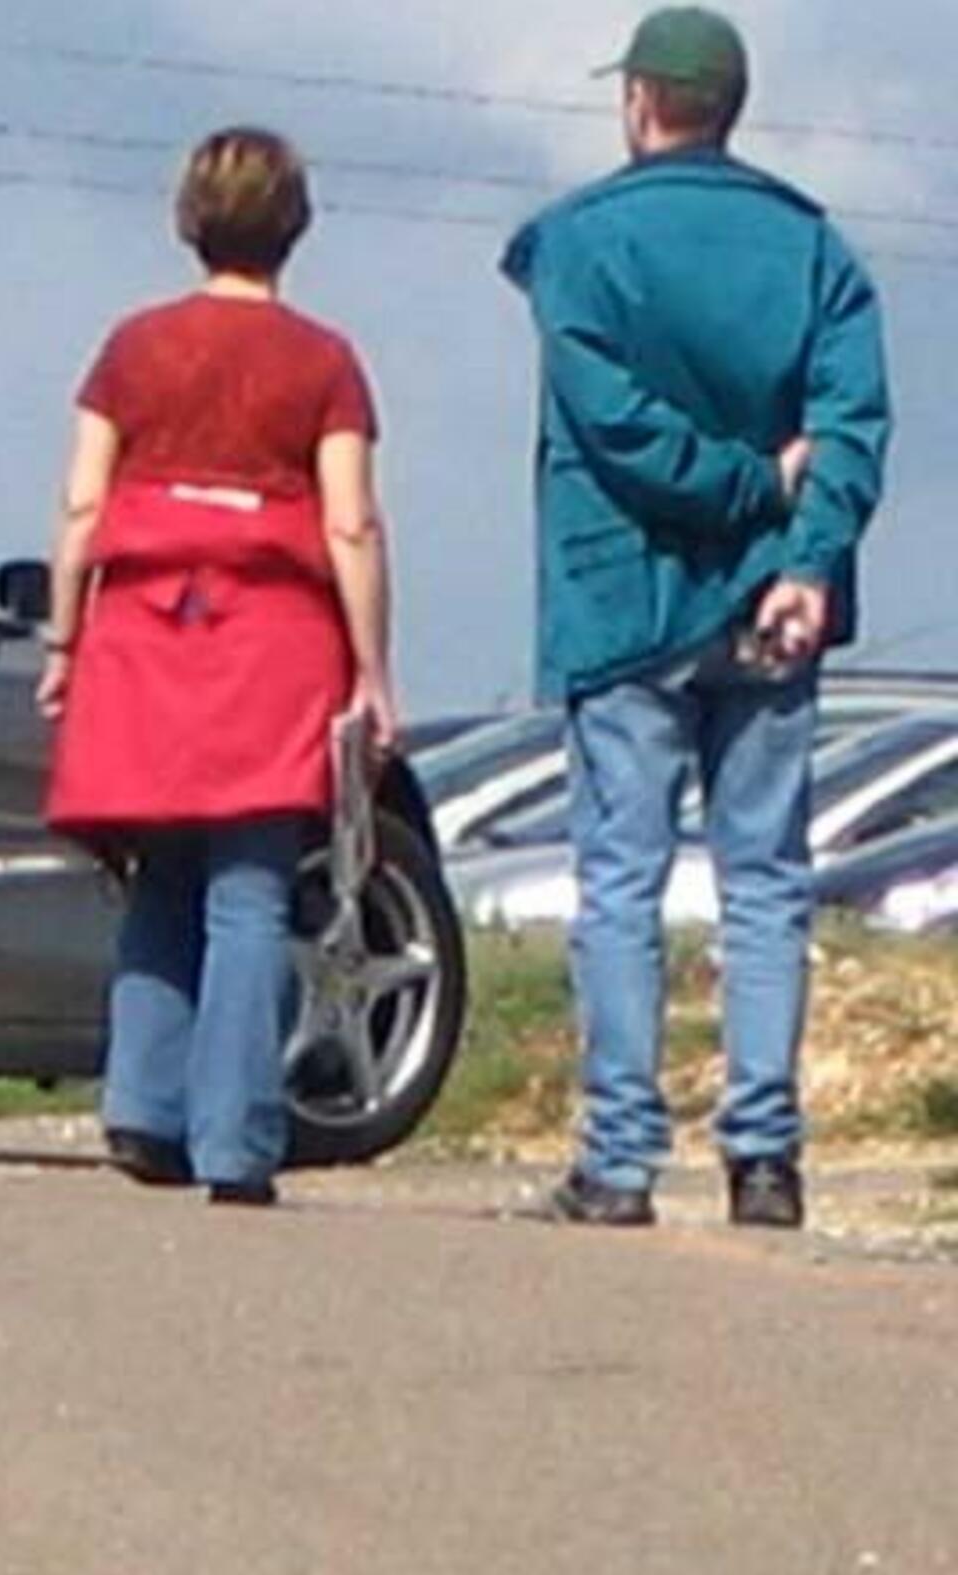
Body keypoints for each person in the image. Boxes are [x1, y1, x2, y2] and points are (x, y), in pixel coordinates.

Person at [503, 6, 890, 1230]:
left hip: (627, 602)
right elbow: (855, 423)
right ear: (729, 105)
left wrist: (736, 487)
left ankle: (620, 1161)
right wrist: (804, 546)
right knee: (767, 878)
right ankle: (764, 1159)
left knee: (622, 879)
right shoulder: (813, 248)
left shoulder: (580, 244)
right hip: (779, 604)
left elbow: (608, 422)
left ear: (638, 105)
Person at [40, 127, 399, 1209]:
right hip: (273, 638)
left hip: (146, 628)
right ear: (296, 225)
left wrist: (63, 644)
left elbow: (81, 507)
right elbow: (352, 525)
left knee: (159, 872)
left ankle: (142, 1110)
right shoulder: (323, 362)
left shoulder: (132, 349)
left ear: (188, 222)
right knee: (247, 891)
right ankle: (236, 1141)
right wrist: (373, 668)